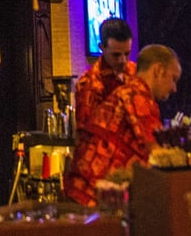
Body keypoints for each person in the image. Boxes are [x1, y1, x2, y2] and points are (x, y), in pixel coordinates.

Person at [64, 44, 181, 206]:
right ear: (158, 70)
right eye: (173, 79)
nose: (174, 88)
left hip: (82, 188)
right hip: (94, 195)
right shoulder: (138, 96)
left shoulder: (127, 90)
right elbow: (156, 153)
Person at [75, 17, 136, 127]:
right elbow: (87, 131)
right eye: (116, 55)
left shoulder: (135, 71)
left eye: (127, 54)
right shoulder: (89, 83)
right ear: (102, 48)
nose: (123, 60)